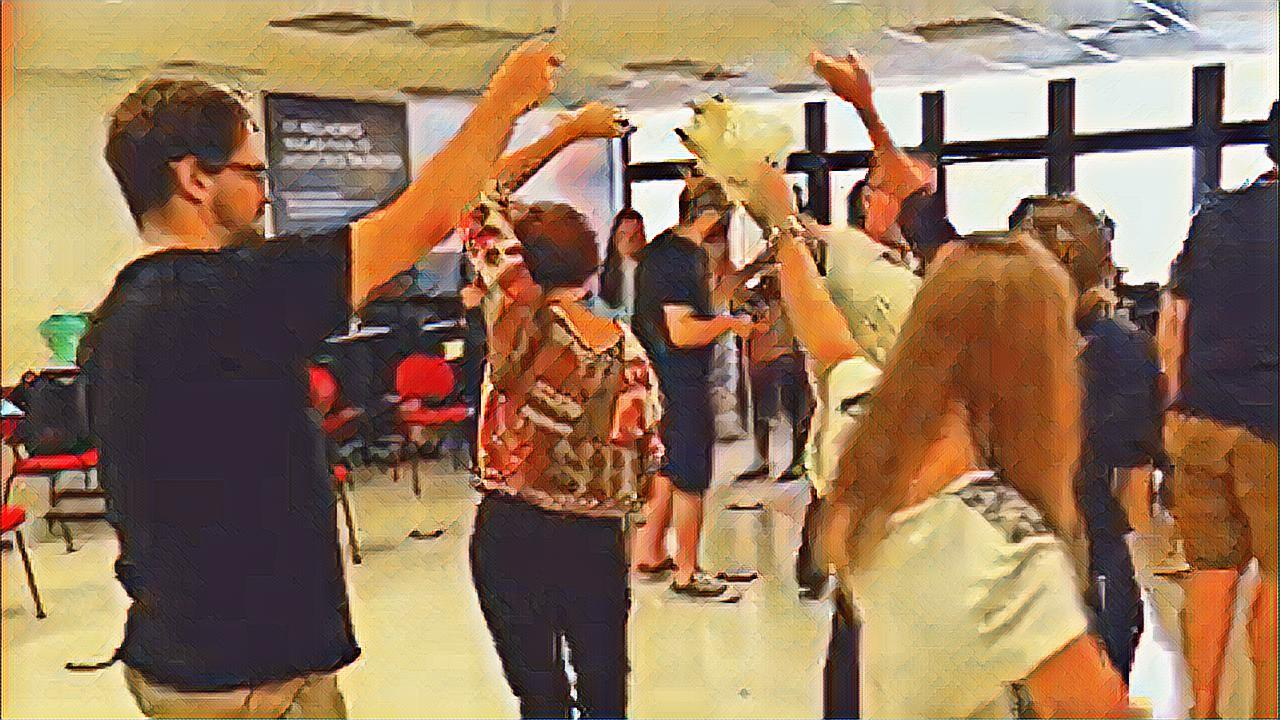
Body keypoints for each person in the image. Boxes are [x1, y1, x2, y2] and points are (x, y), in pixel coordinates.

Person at [76, 40, 563, 718]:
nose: (264, 191)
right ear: (194, 179)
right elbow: (423, 218)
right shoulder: (229, 296)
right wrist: (507, 97)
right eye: (251, 171)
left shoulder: (118, 319)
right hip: (244, 682)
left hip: (203, 656)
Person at [815, 232, 1140, 718]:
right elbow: (1098, 707)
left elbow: (829, 342)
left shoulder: (867, 445)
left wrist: (783, 229)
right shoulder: (1013, 554)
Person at [464, 191, 661, 718]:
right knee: (605, 691)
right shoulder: (629, 352)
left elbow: (477, 206)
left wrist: (555, 144)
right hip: (595, 540)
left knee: (539, 696)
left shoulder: (517, 326)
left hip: (511, 529)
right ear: (591, 264)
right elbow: (647, 460)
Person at [1157, 100, 1278, 720]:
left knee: (1210, 572)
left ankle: (1200, 709)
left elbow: (1173, 318)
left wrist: (1174, 405)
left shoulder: (1215, 216)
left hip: (1199, 424)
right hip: (1271, 428)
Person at [1012, 195, 1160, 683]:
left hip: (1018, 557)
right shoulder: (1124, 348)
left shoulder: (1001, 345)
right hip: (1092, 557)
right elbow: (1134, 487)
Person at [631, 176, 759, 597]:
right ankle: (687, 571)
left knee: (669, 468)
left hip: (661, 380)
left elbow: (706, 300)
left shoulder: (663, 251)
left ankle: (649, 551)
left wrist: (754, 273)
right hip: (680, 380)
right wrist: (730, 325)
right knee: (691, 474)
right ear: (713, 216)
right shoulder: (681, 258)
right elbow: (683, 331)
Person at [735, 274, 812, 483]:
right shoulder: (755, 300)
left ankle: (798, 460)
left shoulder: (791, 296)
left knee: (796, 413)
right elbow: (733, 290)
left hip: (786, 359)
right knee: (761, 416)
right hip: (762, 363)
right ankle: (763, 460)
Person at [599, 207, 647, 320]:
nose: (628, 240)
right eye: (623, 234)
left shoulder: (652, 271)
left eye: (635, 234)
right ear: (615, 237)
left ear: (643, 237)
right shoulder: (604, 273)